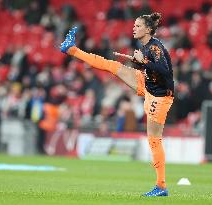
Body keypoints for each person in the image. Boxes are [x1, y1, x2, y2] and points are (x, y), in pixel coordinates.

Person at [58, 12, 174, 197]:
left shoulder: (154, 48)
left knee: (154, 139)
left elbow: (166, 73)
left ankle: (161, 186)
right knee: (111, 66)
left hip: (160, 97)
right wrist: (141, 63)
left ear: (148, 29)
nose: (134, 28)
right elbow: (152, 69)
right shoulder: (145, 46)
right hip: (148, 84)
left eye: (138, 26)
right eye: (134, 25)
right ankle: (71, 49)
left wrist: (143, 62)